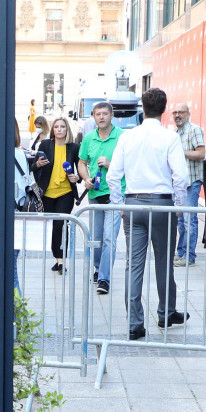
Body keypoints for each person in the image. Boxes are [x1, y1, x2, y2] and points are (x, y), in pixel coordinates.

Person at [106, 86, 188, 341]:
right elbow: (181, 177)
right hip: (161, 204)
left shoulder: (127, 137)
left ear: (142, 108)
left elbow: (112, 176)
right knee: (164, 262)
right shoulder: (169, 137)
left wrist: (120, 204)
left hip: (133, 203)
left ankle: (134, 323)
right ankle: (166, 312)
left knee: (133, 265)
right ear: (164, 109)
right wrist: (178, 205)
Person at [77, 101, 123, 296]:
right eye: (98, 114)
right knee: (96, 238)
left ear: (112, 115)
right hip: (95, 194)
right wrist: (86, 178)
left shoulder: (122, 136)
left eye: (105, 113)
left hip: (116, 194)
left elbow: (130, 164)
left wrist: (111, 164)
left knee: (109, 237)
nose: (101, 117)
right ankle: (98, 268)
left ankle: (104, 278)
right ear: (93, 117)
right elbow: (81, 163)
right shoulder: (89, 137)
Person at [31, 116, 81, 274]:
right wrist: (38, 164)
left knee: (61, 225)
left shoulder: (74, 147)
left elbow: (80, 169)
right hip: (47, 193)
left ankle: (60, 261)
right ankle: (57, 257)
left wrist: (77, 177)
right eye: (56, 127)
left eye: (62, 127)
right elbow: (33, 166)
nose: (59, 129)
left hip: (66, 192)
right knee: (52, 227)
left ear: (67, 129)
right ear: (53, 130)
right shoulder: (45, 144)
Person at [171, 102, 206, 267]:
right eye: (175, 113)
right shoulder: (174, 133)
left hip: (192, 182)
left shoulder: (194, 130)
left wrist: (180, 152)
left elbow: (201, 153)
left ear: (188, 114)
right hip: (178, 183)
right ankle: (181, 253)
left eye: (181, 112)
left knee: (189, 219)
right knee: (180, 221)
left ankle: (189, 256)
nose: (177, 115)